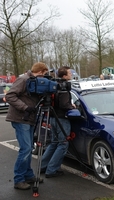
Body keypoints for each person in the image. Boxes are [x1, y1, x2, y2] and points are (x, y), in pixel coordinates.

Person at [5, 62, 49, 190]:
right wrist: (25, 108)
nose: (45, 77)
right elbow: (10, 96)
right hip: (20, 118)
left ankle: (28, 175)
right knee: (25, 149)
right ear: (40, 71)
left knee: (29, 148)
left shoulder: (34, 81)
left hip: (29, 119)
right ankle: (18, 179)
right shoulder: (24, 79)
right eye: (44, 74)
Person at [40, 66, 76, 178]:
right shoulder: (64, 88)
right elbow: (64, 105)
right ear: (64, 75)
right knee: (63, 144)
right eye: (69, 73)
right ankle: (51, 170)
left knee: (54, 143)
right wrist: (72, 107)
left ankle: (42, 166)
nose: (71, 74)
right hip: (61, 119)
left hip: (52, 117)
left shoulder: (54, 86)